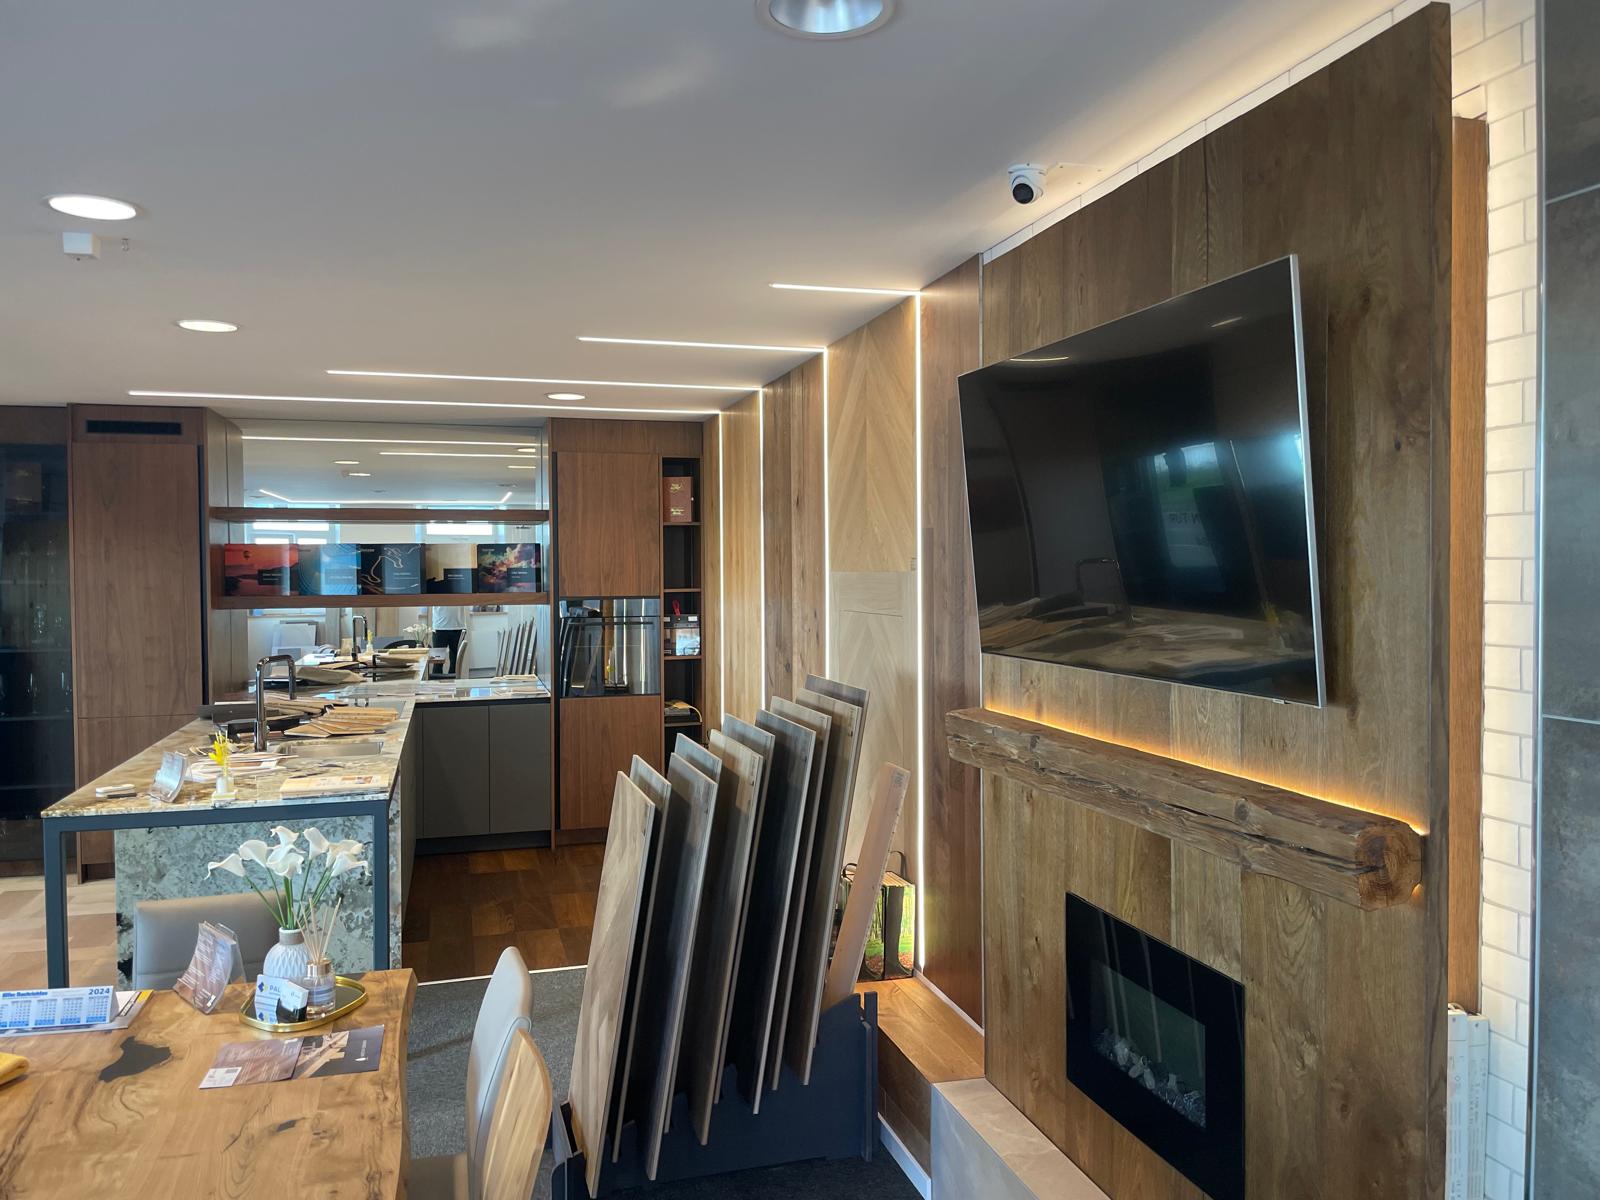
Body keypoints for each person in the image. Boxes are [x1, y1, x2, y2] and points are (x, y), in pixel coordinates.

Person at [430, 605, 466, 674]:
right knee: (437, 663)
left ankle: (454, 681)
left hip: (458, 627)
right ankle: (436, 681)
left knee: (455, 663)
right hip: (439, 627)